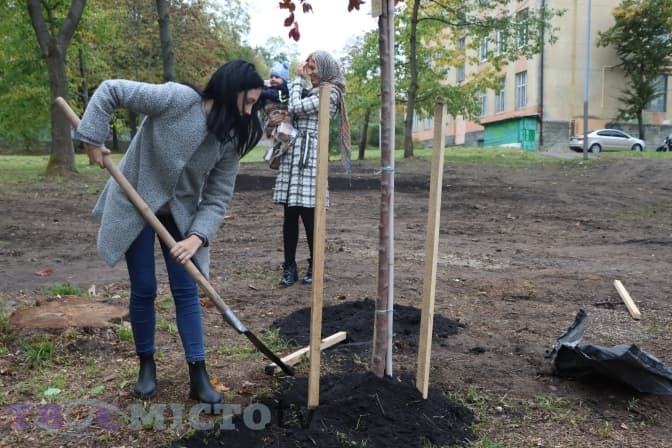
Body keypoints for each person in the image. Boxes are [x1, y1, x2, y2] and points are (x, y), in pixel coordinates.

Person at [76, 60, 264, 405]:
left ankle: (198, 372)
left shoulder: (230, 138)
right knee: (144, 287)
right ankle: (146, 366)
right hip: (135, 202)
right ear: (230, 90)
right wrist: (92, 139)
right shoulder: (176, 99)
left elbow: (218, 196)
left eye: (255, 104)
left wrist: (196, 237)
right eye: (248, 101)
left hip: (181, 215)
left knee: (186, 289)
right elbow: (111, 90)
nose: (250, 111)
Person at [271, 50, 351, 287]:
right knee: (289, 215)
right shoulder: (311, 91)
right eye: (309, 68)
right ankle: (289, 267)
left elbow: (296, 106)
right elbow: (293, 109)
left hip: (310, 158)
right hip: (293, 155)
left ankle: (315, 265)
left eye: (314, 68)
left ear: (325, 68)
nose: (311, 72)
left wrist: (297, 78)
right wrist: (280, 118)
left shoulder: (331, 93)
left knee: (309, 215)